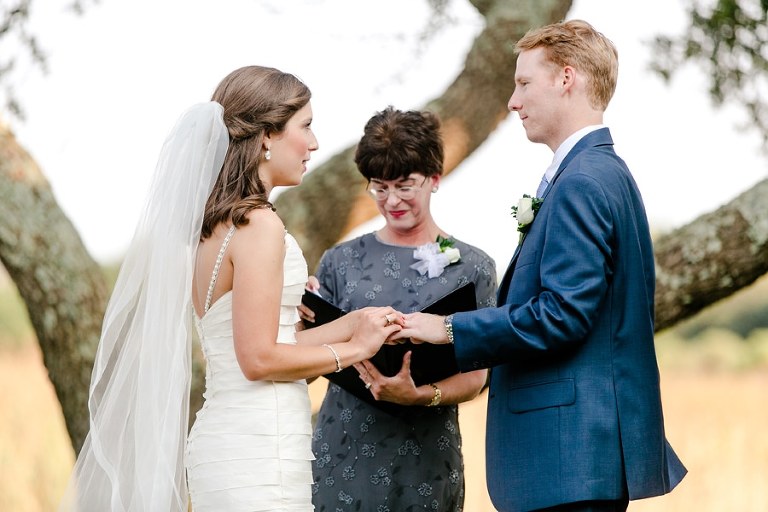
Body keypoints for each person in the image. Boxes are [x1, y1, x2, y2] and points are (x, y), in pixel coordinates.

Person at [58, 66, 403, 512]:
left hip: (232, 443)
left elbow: (263, 345)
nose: (315, 143)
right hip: (259, 454)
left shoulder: (212, 228)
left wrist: (353, 323)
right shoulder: (259, 225)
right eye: (306, 126)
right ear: (266, 137)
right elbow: (259, 359)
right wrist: (356, 348)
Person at [399, 20, 687, 512]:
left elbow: (563, 314)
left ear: (566, 79)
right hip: (579, 459)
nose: (513, 100)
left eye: (524, 83)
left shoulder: (582, 181)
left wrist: (446, 328)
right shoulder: (602, 172)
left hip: (569, 457)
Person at [305, 106, 497, 511]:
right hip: (343, 451)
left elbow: (478, 377)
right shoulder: (339, 261)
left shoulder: (474, 267)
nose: (391, 200)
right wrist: (300, 320)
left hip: (427, 460)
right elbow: (305, 364)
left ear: (434, 179)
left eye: (405, 185)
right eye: (379, 187)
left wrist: (419, 395)